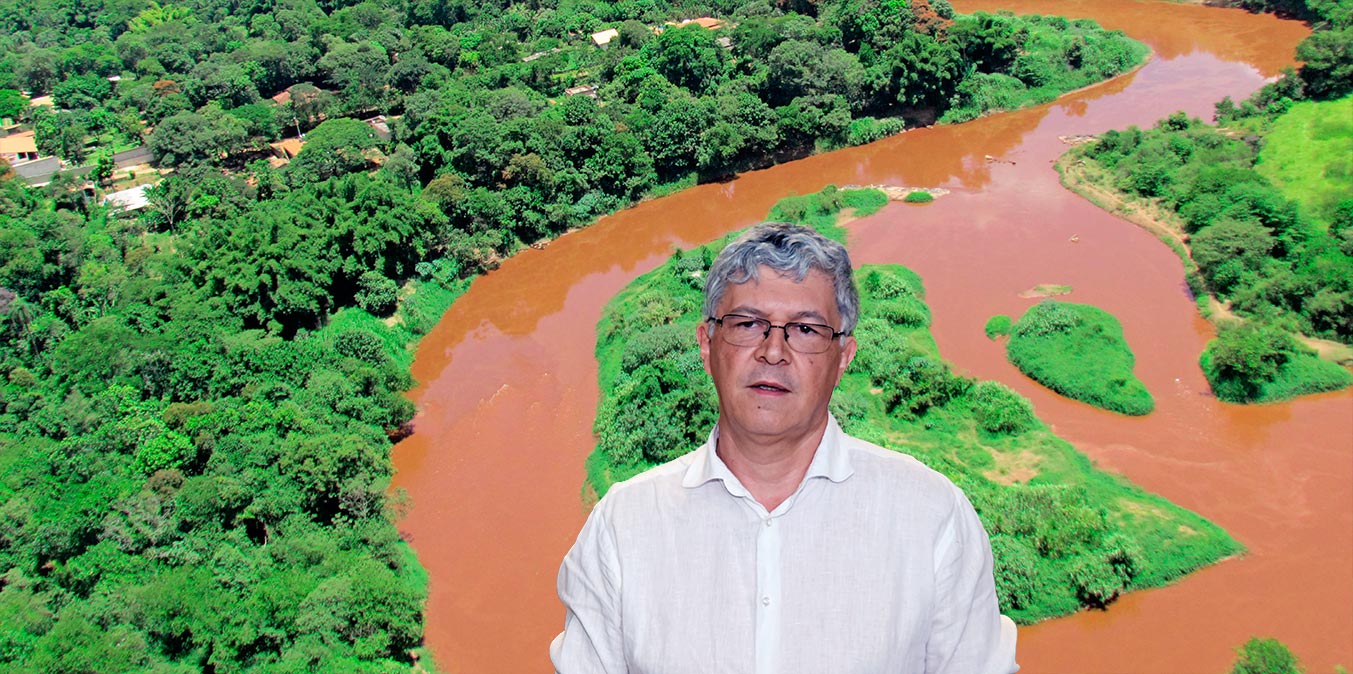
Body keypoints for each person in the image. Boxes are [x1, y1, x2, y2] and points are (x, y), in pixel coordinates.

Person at [551, 222, 1018, 674]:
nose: (773, 351)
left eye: (806, 330)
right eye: (748, 323)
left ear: (844, 358)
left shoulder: (934, 518)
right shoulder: (622, 528)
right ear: (706, 343)